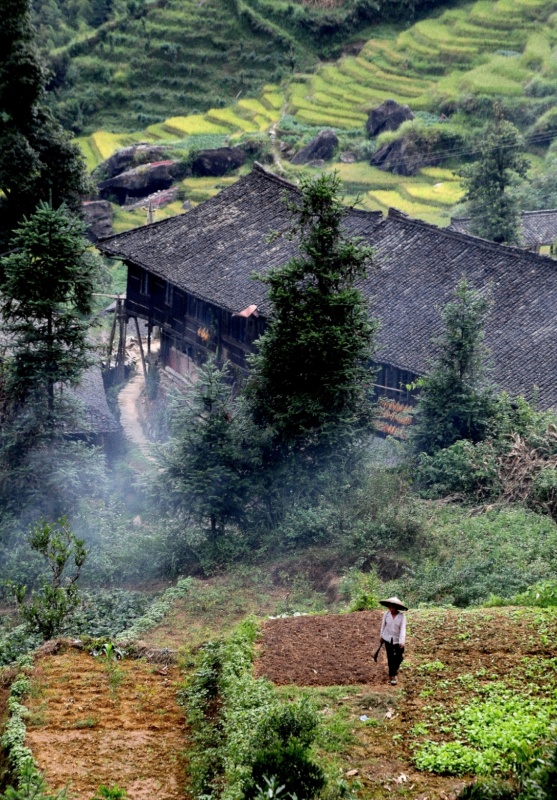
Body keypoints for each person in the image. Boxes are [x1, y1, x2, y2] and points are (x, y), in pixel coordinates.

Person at [377, 596, 407, 685]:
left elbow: (403, 629)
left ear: (397, 608)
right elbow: (383, 626)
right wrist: (381, 636)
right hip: (387, 638)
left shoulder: (401, 617)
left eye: (393, 607)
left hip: (397, 639)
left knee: (398, 657)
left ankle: (396, 668)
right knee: (390, 657)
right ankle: (392, 675)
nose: (391, 609)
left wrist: (402, 641)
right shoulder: (386, 615)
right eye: (390, 607)